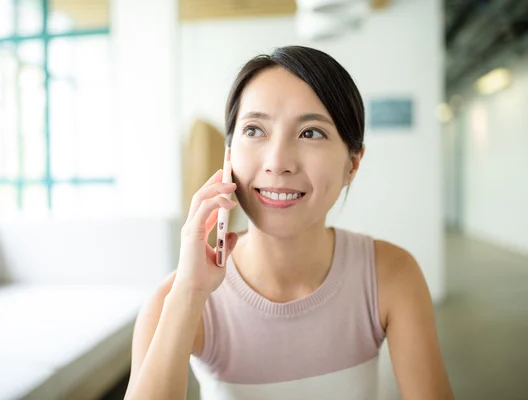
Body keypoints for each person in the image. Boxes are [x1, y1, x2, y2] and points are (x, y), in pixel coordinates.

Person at [124, 45, 454, 400]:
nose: (278, 161)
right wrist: (189, 293)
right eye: (254, 130)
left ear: (352, 164)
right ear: (229, 153)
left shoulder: (390, 275)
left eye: (310, 132)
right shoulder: (173, 299)